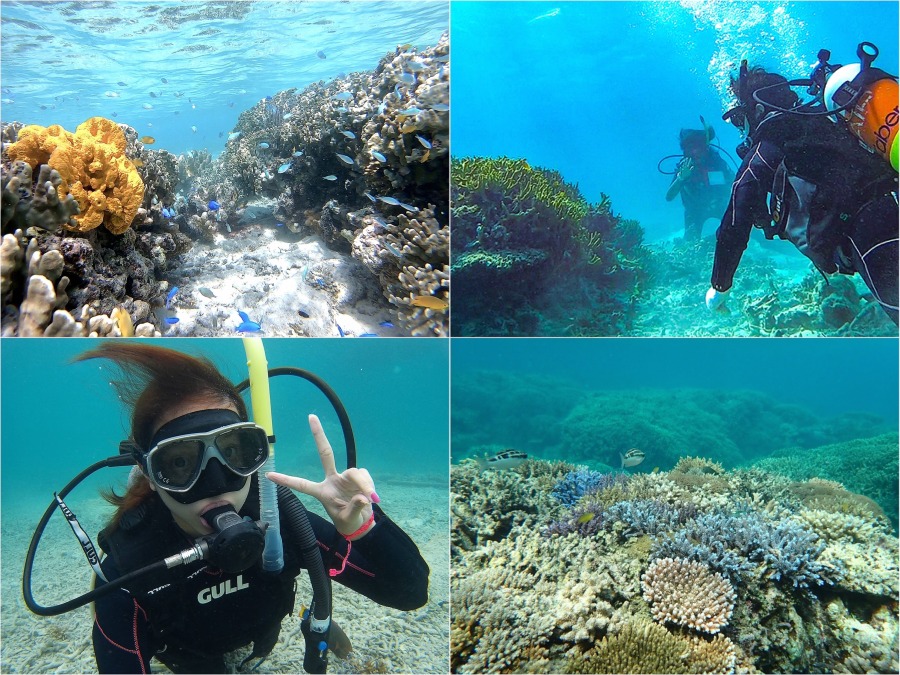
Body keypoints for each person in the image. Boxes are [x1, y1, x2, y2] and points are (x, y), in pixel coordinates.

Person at [84, 343, 429, 673]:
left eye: (233, 452)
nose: (217, 482)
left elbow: (410, 594)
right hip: (190, 658)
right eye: (179, 462)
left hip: (263, 636)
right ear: (149, 473)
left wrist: (364, 528)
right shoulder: (129, 574)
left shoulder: (280, 520)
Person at [706, 63, 899, 325]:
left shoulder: (772, 140)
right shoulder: (829, 116)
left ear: (758, 110)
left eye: (741, 120)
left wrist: (720, 285)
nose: (743, 130)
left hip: (870, 233)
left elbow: (738, 210)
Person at [664, 120, 733, 241]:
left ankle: (773, 245)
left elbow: (735, 184)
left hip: (720, 205)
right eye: (690, 148)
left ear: (706, 148)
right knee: (690, 243)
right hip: (694, 210)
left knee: (744, 230)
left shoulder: (717, 162)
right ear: (685, 151)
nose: (695, 152)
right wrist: (681, 178)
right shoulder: (684, 167)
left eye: (699, 147)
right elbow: (669, 197)